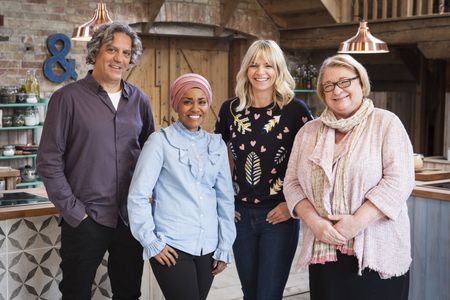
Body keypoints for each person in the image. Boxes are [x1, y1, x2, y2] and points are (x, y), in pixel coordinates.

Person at [36, 22, 154, 299]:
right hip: (86, 219)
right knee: (76, 293)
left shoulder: (139, 101)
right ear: (95, 52)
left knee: (129, 292)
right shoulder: (66, 99)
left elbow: (151, 155)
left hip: (129, 219)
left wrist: (149, 201)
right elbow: (48, 161)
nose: (119, 59)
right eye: (112, 50)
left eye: (126, 53)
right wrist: (76, 212)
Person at [283, 54, 414, 300]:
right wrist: (315, 223)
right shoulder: (308, 132)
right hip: (326, 250)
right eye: (329, 85)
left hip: (376, 250)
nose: (337, 90)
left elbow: (399, 181)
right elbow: (291, 184)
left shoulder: (386, 123)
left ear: (361, 84)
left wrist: (356, 222)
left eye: (345, 82)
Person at [215, 40, 313, 299]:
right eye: (254, 64)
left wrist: (291, 205)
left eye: (268, 65)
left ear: (278, 69)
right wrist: (225, 202)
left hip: (278, 216)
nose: (261, 71)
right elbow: (218, 158)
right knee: (250, 293)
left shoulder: (295, 111)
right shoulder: (230, 110)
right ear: (246, 69)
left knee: (268, 294)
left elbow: (311, 163)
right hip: (241, 216)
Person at [127, 73, 236, 300]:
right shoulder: (160, 141)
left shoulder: (216, 144)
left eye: (202, 101)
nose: (195, 108)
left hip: (209, 247)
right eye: (187, 101)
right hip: (173, 246)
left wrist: (224, 246)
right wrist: (150, 241)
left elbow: (225, 199)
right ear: (177, 104)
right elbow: (137, 195)